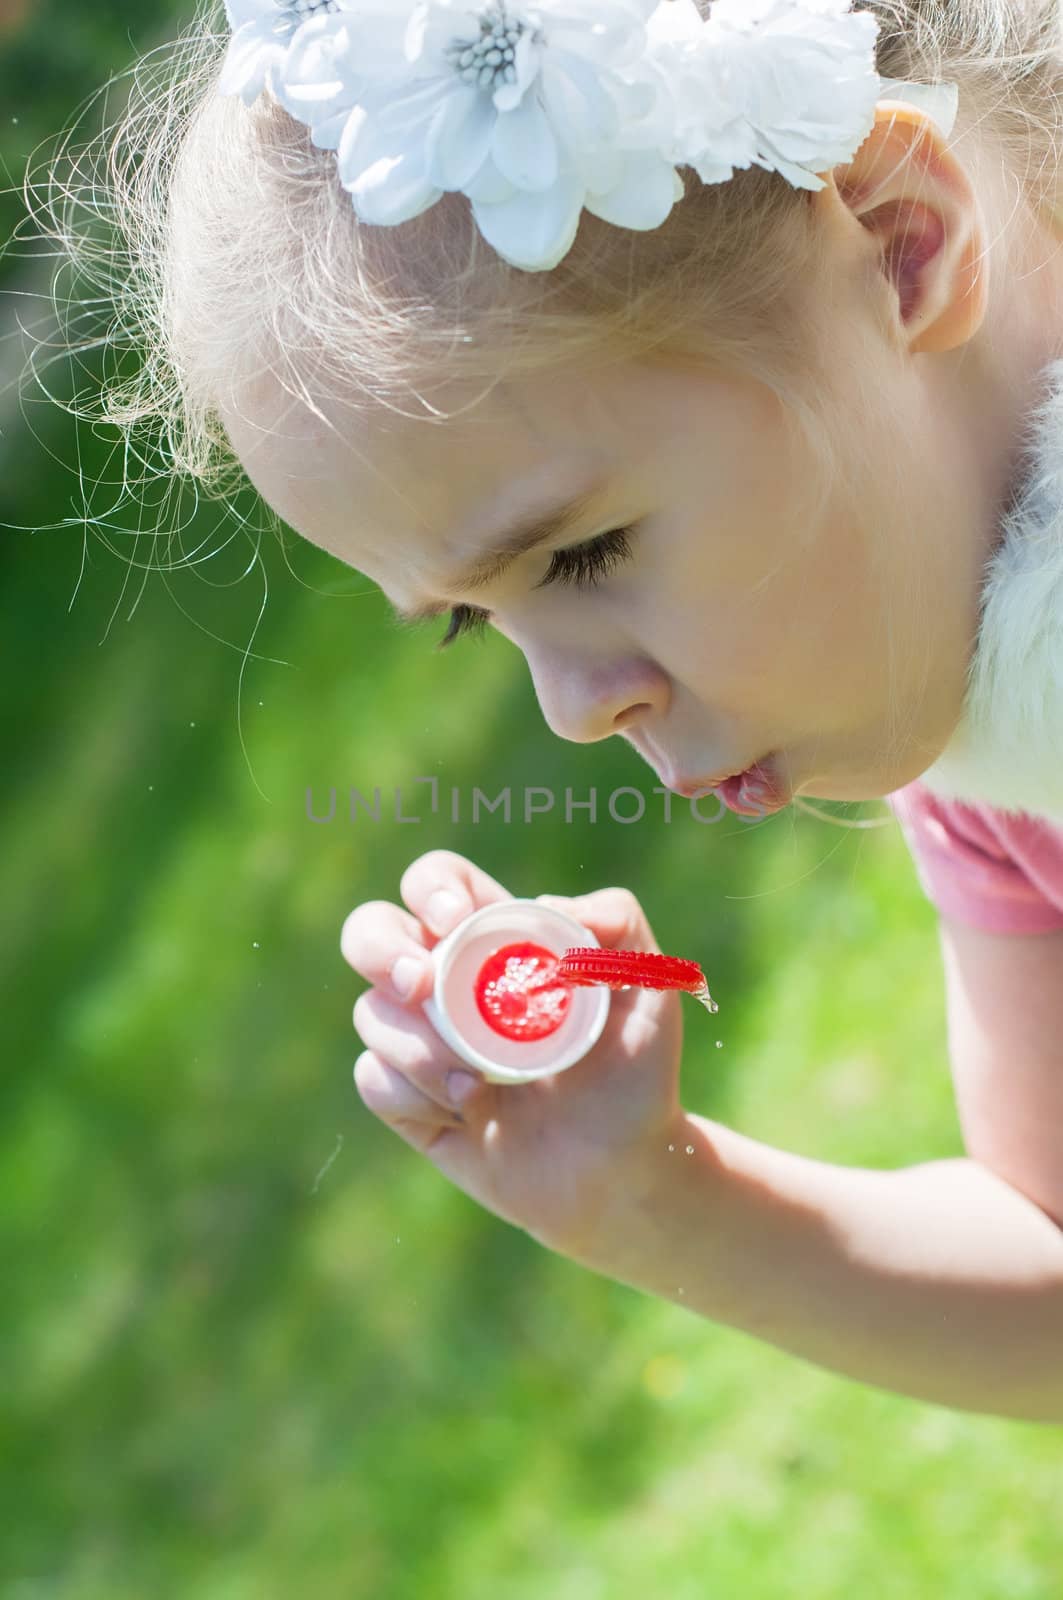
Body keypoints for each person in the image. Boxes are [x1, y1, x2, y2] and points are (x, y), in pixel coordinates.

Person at [30, 0, 1063, 1421]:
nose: (576, 710)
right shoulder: (989, 761)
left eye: (584, 554)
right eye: (475, 614)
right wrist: (652, 1206)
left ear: (900, 241)